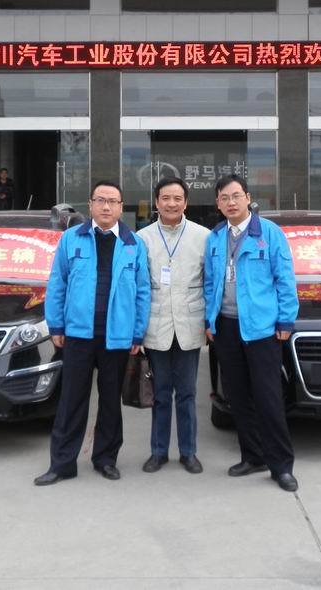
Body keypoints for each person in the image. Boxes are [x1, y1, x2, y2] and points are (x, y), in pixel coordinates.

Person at [34, 181, 151, 486]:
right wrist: (56, 325)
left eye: (113, 201)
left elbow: (143, 292)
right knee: (72, 400)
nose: (106, 206)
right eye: (100, 200)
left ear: (121, 207)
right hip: (78, 334)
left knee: (111, 401)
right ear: (90, 204)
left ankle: (106, 459)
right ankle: (62, 463)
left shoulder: (133, 244)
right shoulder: (71, 239)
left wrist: (137, 334)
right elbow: (57, 283)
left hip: (117, 336)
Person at [203, 175, 300, 492]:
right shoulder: (215, 237)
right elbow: (210, 283)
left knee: (268, 399)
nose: (230, 202)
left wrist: (285, 321)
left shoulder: (269, 234)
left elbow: (284, 279)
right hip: (226, 327)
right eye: (224, 198)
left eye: (236, 196)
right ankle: (252, 456)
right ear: (218, 204)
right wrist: (209, 320)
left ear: (247, 198)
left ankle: (281, 466)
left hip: (261, 330)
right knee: (237, 397)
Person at [136, 177, 210, 475]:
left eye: (177, 198)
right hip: (157, 325)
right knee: (161, 393)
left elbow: (210, 282)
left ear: (186, 202)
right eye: (165, 198)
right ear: (156, 202)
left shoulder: (203, 236)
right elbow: (138, 286)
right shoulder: (142, 238)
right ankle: (158, 451)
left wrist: (210, 321)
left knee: (188, 393)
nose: (171, 203)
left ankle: (188, 452)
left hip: (190, 324)